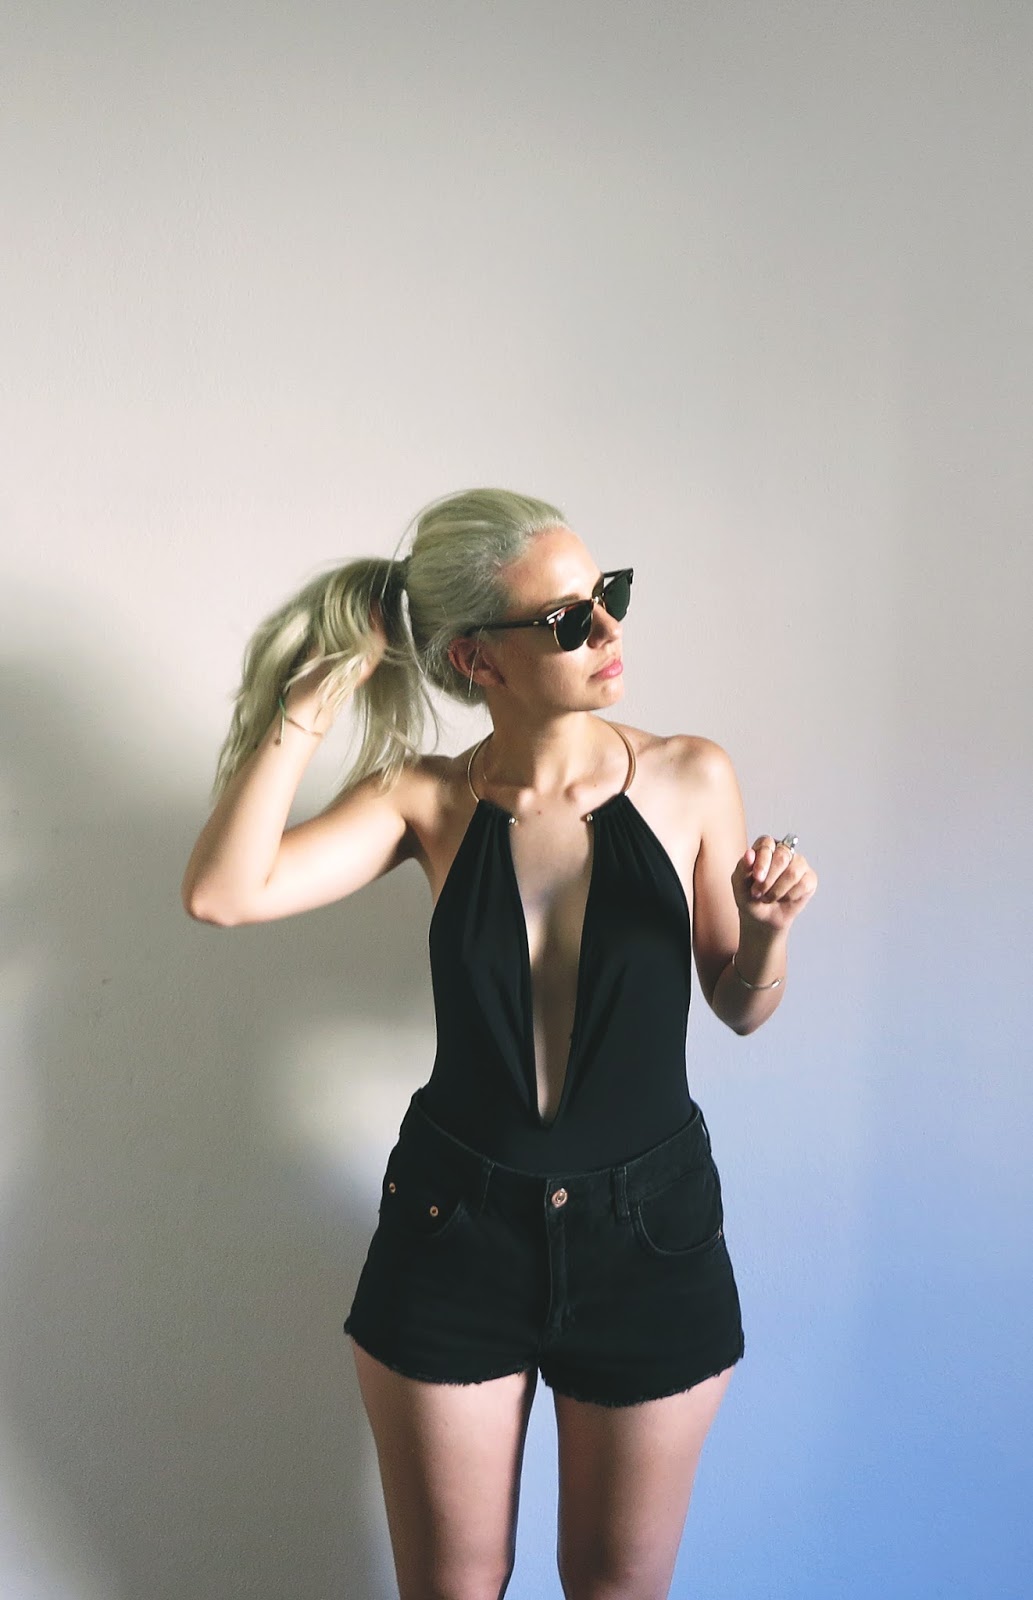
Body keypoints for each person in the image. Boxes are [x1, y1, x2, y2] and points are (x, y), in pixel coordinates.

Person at [181, 486, 818, 1600]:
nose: (607, 629)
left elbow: (739, 1004)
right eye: (567, 618)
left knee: (615, 1585)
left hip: (647, 1238)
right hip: (454, 1230)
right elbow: (224, 895)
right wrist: (308, 708)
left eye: (608, 595)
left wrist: (765, 931)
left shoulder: (690, 775)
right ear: (477, 659)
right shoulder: (422, 800)